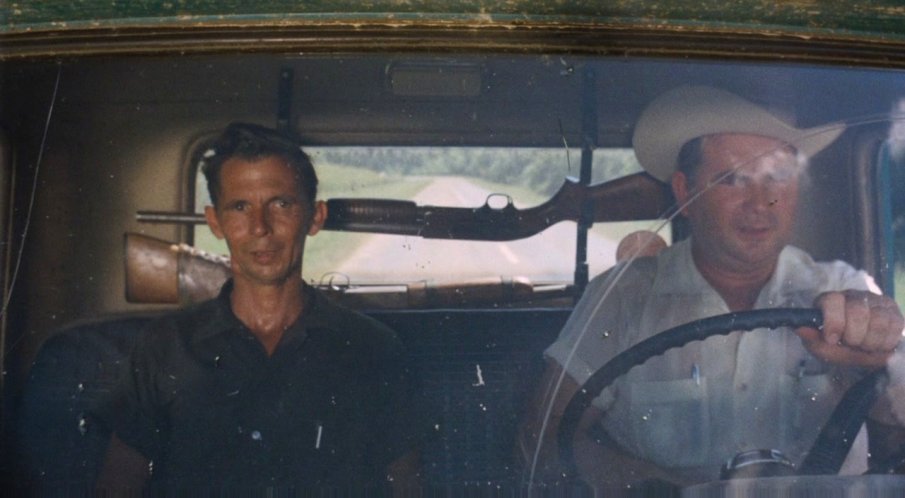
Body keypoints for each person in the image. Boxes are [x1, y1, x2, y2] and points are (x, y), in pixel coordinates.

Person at [518, 86, 905, 488]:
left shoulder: (845, 289)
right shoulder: (622, 296)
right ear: (685, 193)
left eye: (777, 177)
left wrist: (878, 360)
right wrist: (656, 489)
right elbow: (541, 440)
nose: (760, 203)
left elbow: (897, 442)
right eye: (732, 179)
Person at [97, 122, 418, 491]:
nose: (260, 227)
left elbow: (407, 487)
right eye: (240, 207)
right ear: (215, 222)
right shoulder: (164, 347)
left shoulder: (373, 348)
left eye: (281, 204)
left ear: (315, 217)